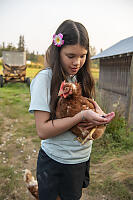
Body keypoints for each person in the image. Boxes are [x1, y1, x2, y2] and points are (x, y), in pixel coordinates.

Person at [29, 19, 115, 200]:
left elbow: (92, 107)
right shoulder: (45, 79)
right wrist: (81, 117)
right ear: (57, 50)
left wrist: (100, 117)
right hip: (56, 163)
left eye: (83, 55)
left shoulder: (81, 78)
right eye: (71, 56)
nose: (77, 62)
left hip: (80, 159)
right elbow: (42, 130)